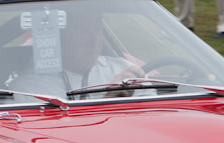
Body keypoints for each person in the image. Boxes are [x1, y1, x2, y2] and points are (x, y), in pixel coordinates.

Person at [9, 11, 144, 97]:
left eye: (97, 30)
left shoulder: (123, 69)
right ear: (58, 38)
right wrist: (109, 98)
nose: (94, 41)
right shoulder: (29, 88)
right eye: (82, 32)